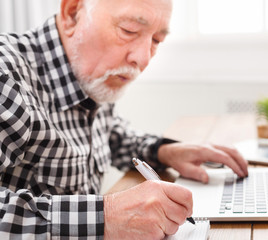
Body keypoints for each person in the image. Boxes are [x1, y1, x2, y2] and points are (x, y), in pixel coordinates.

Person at [0, 0, 248, 239]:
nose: (142, 59)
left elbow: (110, 134)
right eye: (129, 30)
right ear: (73, 13)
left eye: (156, 40)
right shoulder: (6, 78)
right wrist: (105, 218)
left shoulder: (91, 75)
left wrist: (165, 151)